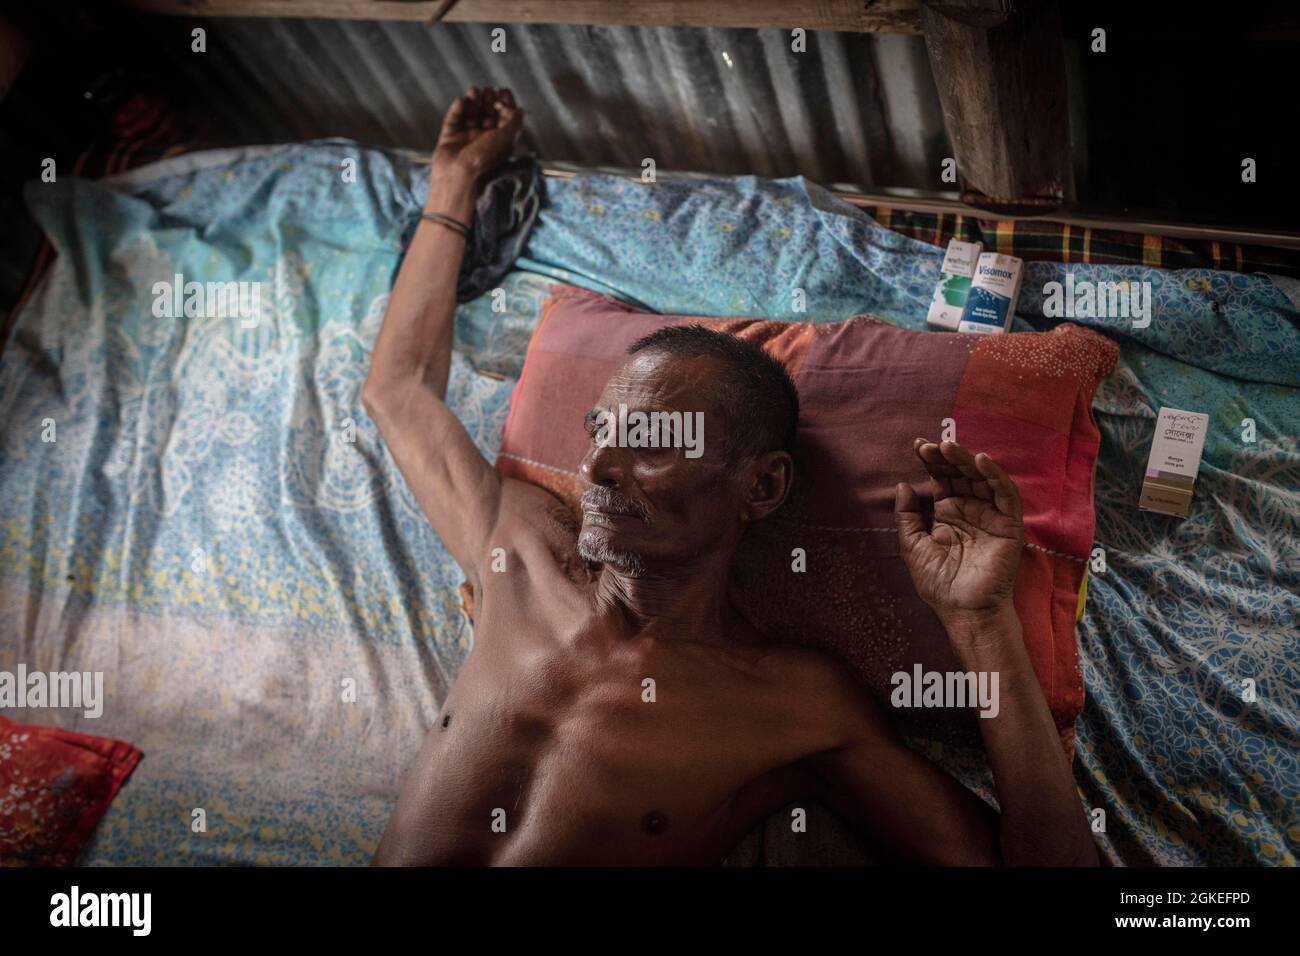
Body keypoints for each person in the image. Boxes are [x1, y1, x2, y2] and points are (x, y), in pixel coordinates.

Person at [363, 86, 1098, 866]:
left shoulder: (791, 707)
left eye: (649, 440)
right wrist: (455, 183)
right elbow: (396, 393)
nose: (598, 469)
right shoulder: (516, 546)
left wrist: (982, 626)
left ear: (764, 487)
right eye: (598, 434)